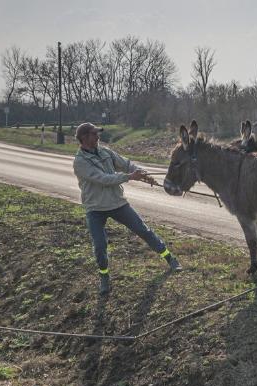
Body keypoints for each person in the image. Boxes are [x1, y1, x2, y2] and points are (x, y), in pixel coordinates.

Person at [73, 122, 182, 296]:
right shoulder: (80, 162)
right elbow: (103, 179)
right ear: (84, 138)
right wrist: (131, 177)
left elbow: (126, 163)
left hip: (117, 203)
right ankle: (104, 277)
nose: (98, 136)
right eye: (94, 134)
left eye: (97, 133)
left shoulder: (105, 152)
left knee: (144, 231)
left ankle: (170, 259)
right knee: (100, 246)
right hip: (95, 209)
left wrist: (142, 173)